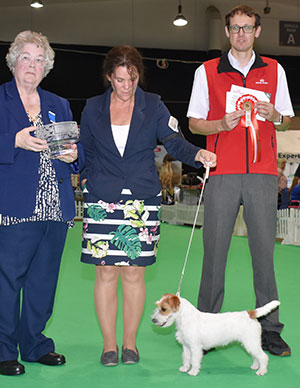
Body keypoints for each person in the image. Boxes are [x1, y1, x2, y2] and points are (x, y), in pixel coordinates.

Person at [79, 45, 216, 367]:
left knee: (134, 274)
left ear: (139, 75)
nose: (127, 87)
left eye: (133, 79)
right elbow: (84, 150)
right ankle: (109, 346)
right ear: (109, 77)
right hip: (101, 196)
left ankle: (130, 345)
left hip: (141, 198)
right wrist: (85, 179)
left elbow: (173, 141)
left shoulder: (152, 105)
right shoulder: (92, 108)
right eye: (120, 80)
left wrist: (197, 154)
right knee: (105, 273)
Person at [187, 5, 294, 356]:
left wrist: (274, 114)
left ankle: (270, 330)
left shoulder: (275, 71)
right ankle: (205, 328)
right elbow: (193, 123)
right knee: (213, 254)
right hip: (221, 172)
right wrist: (220, 124)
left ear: (258, 31)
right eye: (234, 28)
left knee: (264, 255)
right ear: (227, 32)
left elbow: (287, 120)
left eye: (247, 28)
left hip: (263, 174)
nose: (241, 34)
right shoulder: (207, 71)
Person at [0, 31, 85, 376]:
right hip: (16, 207)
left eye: (39, 59)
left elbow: (73, 154)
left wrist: (74, 156)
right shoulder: (1, 99)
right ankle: (4, 349)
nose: (32, 64)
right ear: (14, 62)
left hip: (57, 206)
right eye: (26, 57)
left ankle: (34, 344)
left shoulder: (58, 103)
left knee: (43, 281)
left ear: (46, 67)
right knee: (8, 281)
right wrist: (13, 141)